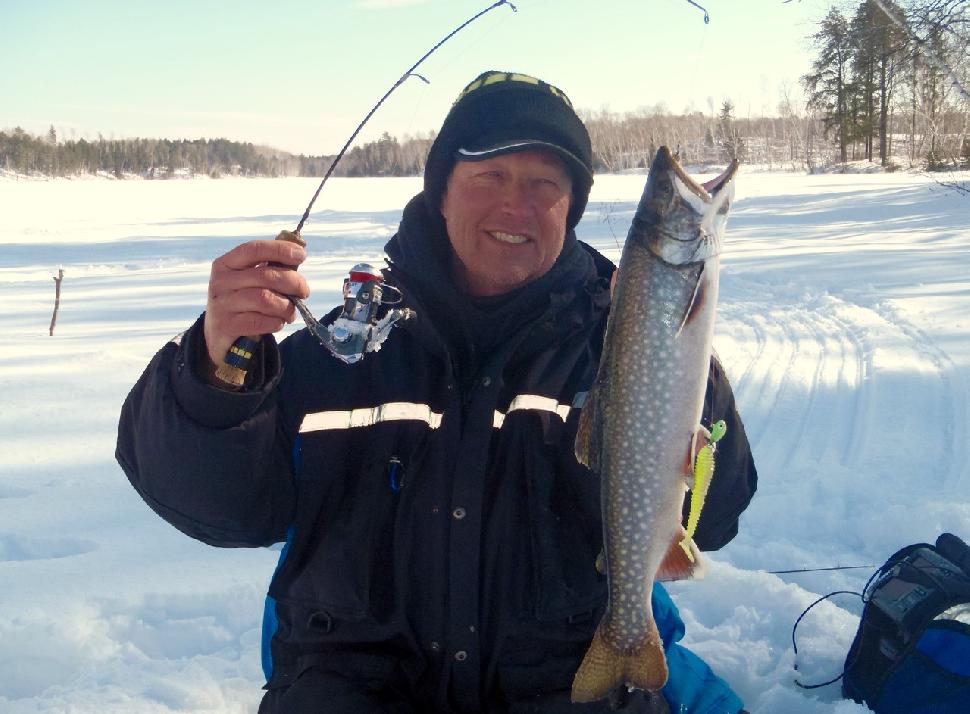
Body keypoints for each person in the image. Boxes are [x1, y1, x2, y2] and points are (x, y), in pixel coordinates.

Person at [117, 70, 758, 713]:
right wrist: (214, 377)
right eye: (490, 176)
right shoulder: (343, 353)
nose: (517, 205)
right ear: (442, 193)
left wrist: (677, 366)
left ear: (573, 208)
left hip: (565, 686)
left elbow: (716, 515)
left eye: (545, 184)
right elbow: (222, 510)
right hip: (354, 690)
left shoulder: (609, 349)